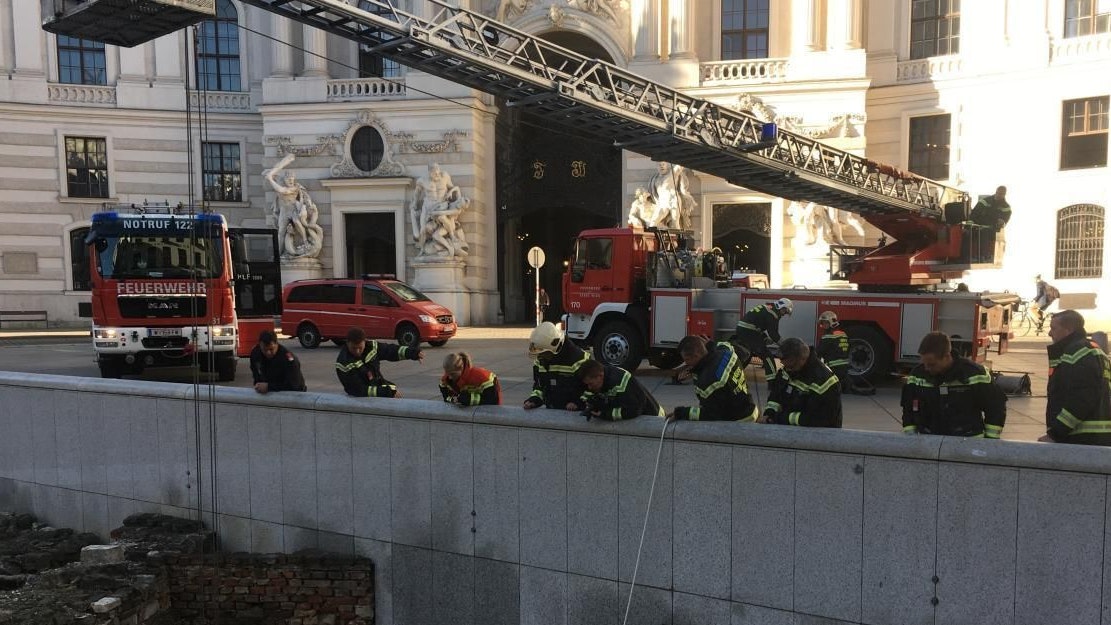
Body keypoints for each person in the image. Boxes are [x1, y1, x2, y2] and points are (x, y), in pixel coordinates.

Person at [901, 332, 1007, 438]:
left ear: (947, 356)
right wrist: (911, 440)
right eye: (924, 363)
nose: (926, 368)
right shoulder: (917, 375)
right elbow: (908, 410)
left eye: (932, 364)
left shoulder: (975, 374)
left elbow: (995, 408)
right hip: (929, 442)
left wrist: (990, 440)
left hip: (968, 442)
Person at [1040, 310, 1111, 446]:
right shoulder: (1094, 351)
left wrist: (1055, 434)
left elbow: (1080, 400)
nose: (1049, 333)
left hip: (1082, 438)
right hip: (1096, 436)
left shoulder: (1076, 354)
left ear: (1068, 330)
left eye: (1054, 328)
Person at [667, 335, 757, 422]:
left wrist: (681, 413)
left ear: (696, 355)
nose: (686, 363)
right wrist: (710, 345)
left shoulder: (708, 382)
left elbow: (711, 414)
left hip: (739, 420)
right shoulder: (725, 352)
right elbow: (722, 346)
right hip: (749, 406)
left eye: (687, 359)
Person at [761, 338, 842, 427]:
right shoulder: (789, 369)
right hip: (789, 427)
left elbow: (817, 419)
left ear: (802, 359)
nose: (787, 369)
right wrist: (769, 413)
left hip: (818, 432)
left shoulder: (823, 380)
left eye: (790, 366)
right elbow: (776, 395)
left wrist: (779, 418)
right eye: (784, 365)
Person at [335, 326, 422, 398]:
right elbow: (358, 390)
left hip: (379, 388)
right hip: (361, 399)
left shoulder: (372, 347)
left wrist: (413, 353)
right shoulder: (344, 363)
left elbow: (390, 350)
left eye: (360, 348)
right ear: (347, 343)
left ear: (365, 342)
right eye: (354, 348)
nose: (357, 351)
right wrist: (386, 392)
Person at [524, 321, 592, 410]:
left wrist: (579, 402)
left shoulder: (579, 359)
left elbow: (592, 388)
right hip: (552, 411)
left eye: (544, 353)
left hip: (576, 413)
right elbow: (539, 386)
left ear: (555, 348)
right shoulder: (540, 361)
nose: (541, 356)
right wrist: (534, 400)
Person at [577, 359, 664, 420]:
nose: (589, 388)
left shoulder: (619, 382)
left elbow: (634, 410)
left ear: (600, 376)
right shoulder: (600, 379)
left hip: (653, 417)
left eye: (591, 384)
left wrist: (605, 414)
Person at [734, 298, 793, 375]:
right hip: (748, 332)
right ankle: (772, 379)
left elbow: (757, 324)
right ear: (782, 307)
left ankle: (736, 373)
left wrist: (765, 337)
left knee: (748, 353)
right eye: (785, 311)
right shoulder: (773, 314)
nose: (784, 314)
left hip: (744, 330)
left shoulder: (768, 308)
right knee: (767, 356)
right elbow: (774, 335)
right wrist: (785, 346)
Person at [816, 311, 850, 391]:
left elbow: (818, 353)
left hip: (833, 369)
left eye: (825, 323)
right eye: (822, 323)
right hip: (845, 369)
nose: (823, 326)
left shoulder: (827, 337)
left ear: (831, 322)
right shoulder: (843, 334)